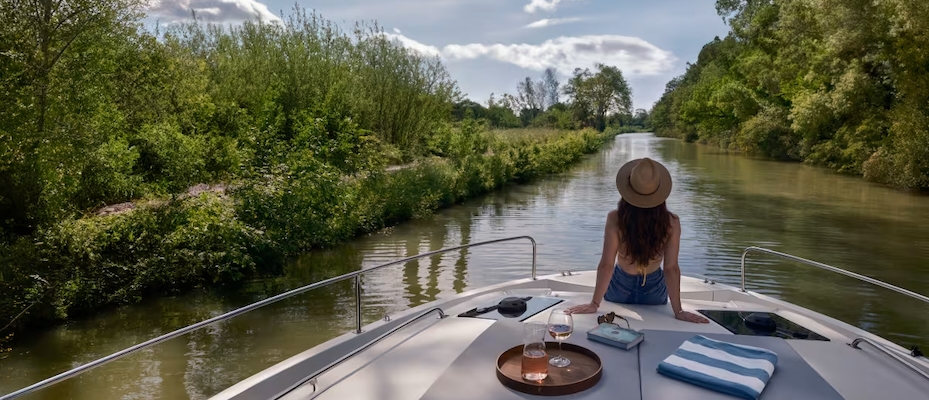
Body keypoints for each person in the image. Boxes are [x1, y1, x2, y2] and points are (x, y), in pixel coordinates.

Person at [566, 157, 709, 323]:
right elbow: (671, 268)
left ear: (627, 190)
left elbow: (607, 265)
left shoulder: (615, 218)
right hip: (654, 291)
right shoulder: (672, 222)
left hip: (619, 288)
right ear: (660, 192)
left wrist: (594, 304)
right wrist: (678, 311)